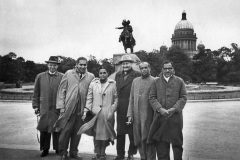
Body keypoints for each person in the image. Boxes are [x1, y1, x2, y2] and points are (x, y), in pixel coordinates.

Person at [54, 57, 95, 160]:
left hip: (81, 110)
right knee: (66, 131)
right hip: (68, 109)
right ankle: (63, 153)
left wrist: (88, 109)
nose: (83, 66)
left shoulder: (90, 76)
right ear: (76, 64)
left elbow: (92, 93)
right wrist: (61, 107)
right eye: (80, 64)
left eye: (85, 65)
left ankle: (74, 152)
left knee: (77, 132)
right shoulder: (68, 73)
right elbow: (61, 90)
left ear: (87, 66)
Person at [148, 60, 187, 160]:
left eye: (169, 68)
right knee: (162, 147)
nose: (167, 70)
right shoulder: (156, 82)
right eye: (165, 68)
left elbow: (183, 97)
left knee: (177, 145)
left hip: (175, 119)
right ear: (162, 70)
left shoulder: (180, 81)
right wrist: (160, 109)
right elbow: (152, 97)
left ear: (173, 69)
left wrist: (174, 109)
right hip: (160, 118)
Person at [83, 66, 118, 160]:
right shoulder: (93, 83)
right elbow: (89, 98)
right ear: (98, 74)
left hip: (107, 113)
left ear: (107, 73)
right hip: (95, 113)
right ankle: (97, 153)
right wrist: (87, 110)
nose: (102, 74)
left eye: (104, 73)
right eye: (100, 73)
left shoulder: (113, 83)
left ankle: (103, 153)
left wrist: (112, 109)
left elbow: (116, 98)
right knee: (96, 133)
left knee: (105, 133)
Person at [32, 56, 63, 157]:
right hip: (44, 107)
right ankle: (45, 149)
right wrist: (36, 106)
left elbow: (65, 93)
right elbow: (36, 92)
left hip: (57, 108)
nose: (52, 66)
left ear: (57, 66)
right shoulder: (40, 76)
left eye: (54, 65)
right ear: (47, 65)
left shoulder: (62, 77)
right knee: (44, 129)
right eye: (50, 64)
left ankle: (58, 148)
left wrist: (64, 107)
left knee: (57, 128)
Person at [127, 62, 156, 160]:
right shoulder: (135, 81)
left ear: (149, 68)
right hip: (136, 115)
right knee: (138, 139)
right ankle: (143, 157)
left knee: (148, 138)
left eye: (146, 67)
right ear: (139, 69)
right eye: (142, 68)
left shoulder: (154, 81)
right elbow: (131, 98)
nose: (144, 70)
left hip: (148, 115)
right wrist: (130, 114)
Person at [114, 54, 141, 160]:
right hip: (120, 107)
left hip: (132, 107)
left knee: (132, 133)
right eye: (123, 63)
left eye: (127, 63)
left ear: (131, 64)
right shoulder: (118, 74)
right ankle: (120, 154)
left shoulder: (137, 74)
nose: (125, 65)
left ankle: (131, 153)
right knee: (120, 133)